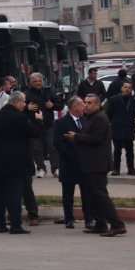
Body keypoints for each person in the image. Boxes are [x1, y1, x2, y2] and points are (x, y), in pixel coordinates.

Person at [68, 100, 128, 236]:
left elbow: (96, 138)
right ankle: (100, 224)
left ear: (97, 105)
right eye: (85, 103)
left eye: (89, 103)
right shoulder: (91, 118)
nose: (86, 105)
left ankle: (117, 224)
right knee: (93, 195)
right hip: (90, 164)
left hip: (97, 164)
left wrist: (76, 136)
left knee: (100, 194)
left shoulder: (100, 118)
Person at [0, 90, 40, 235]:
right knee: (14, 194)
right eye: (23, 102)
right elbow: (34, 133)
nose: (25, 105)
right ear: (16, 102)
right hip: (16, 163)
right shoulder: (19, 118)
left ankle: (1, 224)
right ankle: (15, 225)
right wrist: (39, 120)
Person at [53, 97, 85, 229]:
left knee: (86, 193)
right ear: (74, 107)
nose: (84, 107)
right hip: (68, 162)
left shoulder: (86, 120)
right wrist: (70, 156)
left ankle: (89, 218)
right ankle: (69, 218)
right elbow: (58, 143)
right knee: (68, 195)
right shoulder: (61, 122)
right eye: (82, 105)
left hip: (84, 164)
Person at [24, 73, 57, 177]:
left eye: (40, 81)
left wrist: (53, 106)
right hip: (34, 125)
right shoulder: (26, 94)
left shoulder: (49, 92)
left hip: (48, 124)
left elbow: (60, 105)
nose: (38, 83)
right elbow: (19, 108)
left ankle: (56, 168)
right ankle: (41, 168)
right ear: (30, 82)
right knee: (37, 148)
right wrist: (27, 108)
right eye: (35, 81)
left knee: (52, 147)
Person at [106, 80, 135, 176]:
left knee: (130, 150)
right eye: (125, 87)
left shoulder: (133, 100)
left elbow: (134, 112)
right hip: (118, 127)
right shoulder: (113, 99)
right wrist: (114, 122)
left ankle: (131, 168)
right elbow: (109, 114)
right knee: (117, 149)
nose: (127, 89)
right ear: (121, 89)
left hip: (129, 128)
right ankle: (116, 168)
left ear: (131, 89)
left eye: (129, 88)